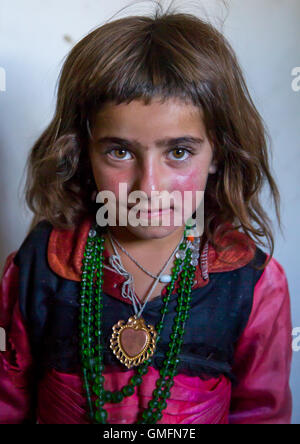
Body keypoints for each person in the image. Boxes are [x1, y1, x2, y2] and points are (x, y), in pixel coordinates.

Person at [0, 6, 292, 424]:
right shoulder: (41, 266)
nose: (148, 186)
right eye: (120, 151)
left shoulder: (254, 283)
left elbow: (264, 415)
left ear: (218, 154)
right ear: (82, 150)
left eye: (178, 152)